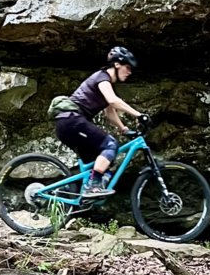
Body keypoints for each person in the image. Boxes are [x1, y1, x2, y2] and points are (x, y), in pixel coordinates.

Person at [54, 46, 150, 198]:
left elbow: (109, 111)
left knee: (100, 161)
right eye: (128, 67)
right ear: (117, 64)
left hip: (67, 123)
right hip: (72, 121)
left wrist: (124, 129)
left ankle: (70, 193)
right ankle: (92, 186)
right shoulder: (102, 77)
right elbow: (113, 101)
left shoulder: (105, 83)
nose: (130, 72)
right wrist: (139, 115)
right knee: (110, 144)